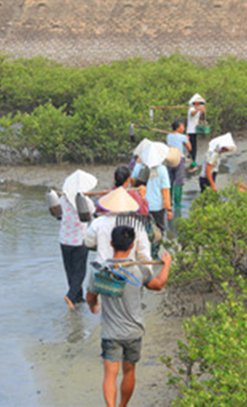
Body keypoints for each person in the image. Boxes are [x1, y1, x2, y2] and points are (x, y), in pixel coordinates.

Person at [86, 225, 172, 407]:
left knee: (110, 375)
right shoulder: (140, 270)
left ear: (111, 244)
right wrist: (167, 265)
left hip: (110, 333)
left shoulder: (100, 271)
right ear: (132, 245)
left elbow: (90, 296)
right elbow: (158, 285)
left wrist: (93, 306)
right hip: (134, 332)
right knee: (129, 372)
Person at [59, 170, 97, 311]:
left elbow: (58, 215)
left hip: (64, 240)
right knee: (80, 271)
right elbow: (93, 214)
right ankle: (70, 295)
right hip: (80, 241)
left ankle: (77, 297)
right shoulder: (86, 202)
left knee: (70, 270)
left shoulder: (62, 200)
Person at [85, 187, 151, 264]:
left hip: (103, 266)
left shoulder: (98, 222)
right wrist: (147, 270)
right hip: (127, 268)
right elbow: (144, 253)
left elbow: (88, 242)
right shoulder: (136, 224)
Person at [131, 142, 172, 259]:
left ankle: (142, 252)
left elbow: (133, 183)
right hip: (157, 206)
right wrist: (168, 209)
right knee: (159, 230)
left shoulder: (139, 167)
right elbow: (165, 191)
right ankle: (154, 253)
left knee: (142, 229)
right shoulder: (162, 170)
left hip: (141, 205)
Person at [166, 118, 192, 208]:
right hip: (179, 159)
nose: (183, 128)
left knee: (170, 180)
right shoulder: (182, 137)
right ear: (178, 128)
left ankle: (169, 201)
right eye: (182, 126)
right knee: (179, 180)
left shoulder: (168, 136)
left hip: (169, 159)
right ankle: (177, 203)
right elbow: (189, 147)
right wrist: (187, 139)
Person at [186, 94, 206, 171]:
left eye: (199, 103)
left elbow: (201, 118)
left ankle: (192, 162)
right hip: (190, 131)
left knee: (194, 148)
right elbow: (192, 114)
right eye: (197, 103)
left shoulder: (197, 109)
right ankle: (192, 164)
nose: (198, 104)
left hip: (195, 130)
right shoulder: (191, 109)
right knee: (192, 148)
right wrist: (198, 109)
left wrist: (203, 112)